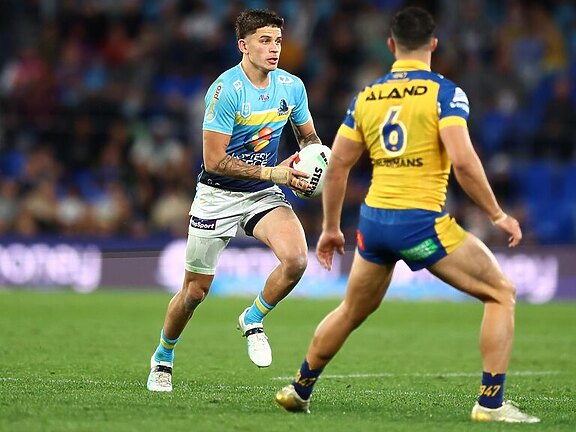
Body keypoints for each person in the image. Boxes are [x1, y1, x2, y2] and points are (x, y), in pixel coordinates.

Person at [275, 6, 540, 424]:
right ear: (433, 45)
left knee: (351, 309)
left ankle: (299, 388)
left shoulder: (366, 97)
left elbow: (338, 164)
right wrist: (497, 214)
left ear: (390, 46)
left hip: (375, 223)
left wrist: (329, 228)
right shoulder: (445, 93)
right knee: (501, 292)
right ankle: (491, 403)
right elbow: (464, 161)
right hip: (419, 222)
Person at [147, 8, 323, 392]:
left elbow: (309, 139)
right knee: (194, 292)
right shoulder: (225, 91)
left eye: (278, 40)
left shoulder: (292, 87)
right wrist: (273, 172)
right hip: (217, 196)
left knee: (295, 259)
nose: (274, 48)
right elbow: (215, 160)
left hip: (261, 195)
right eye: (264, 40)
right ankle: (163, 355)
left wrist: (312, 163)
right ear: (243, 46)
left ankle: (253, 318)